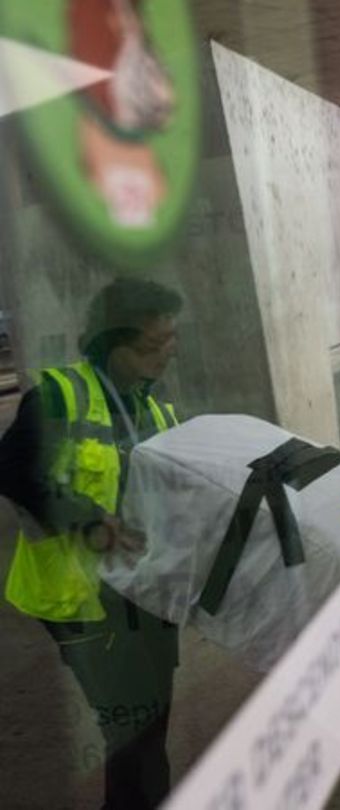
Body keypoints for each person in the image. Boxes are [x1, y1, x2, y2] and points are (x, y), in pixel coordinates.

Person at [0, 278, 183, 809]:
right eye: (152, 346)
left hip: (142, 589)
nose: (166, 354)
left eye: (171, 341)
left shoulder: (153, 400)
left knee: (150, 726)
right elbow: (12, 469)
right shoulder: (59, 396)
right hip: (83, 597)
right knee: (134, 731)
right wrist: (86, 520)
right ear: (111, 343)